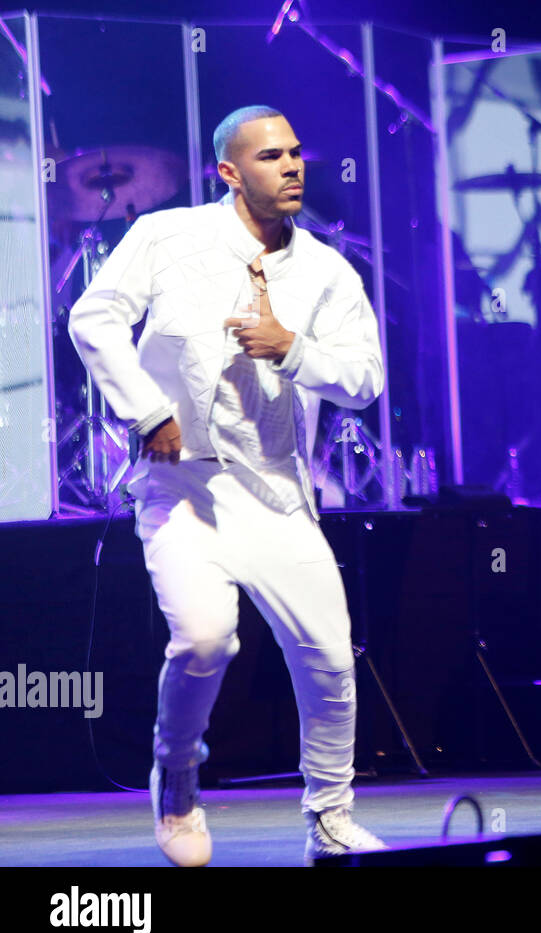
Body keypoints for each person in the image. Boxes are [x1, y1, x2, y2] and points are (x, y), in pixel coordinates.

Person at [68, 105, 388, 865]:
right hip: (180, 485)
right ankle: (177, 775)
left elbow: (366, 380)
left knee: (330, 656)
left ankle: (330, 814)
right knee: (205, 638)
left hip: (275, 491)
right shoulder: (167, 237)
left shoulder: (324, 269)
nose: (292, 167)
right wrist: (146, 411)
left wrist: (294, 348)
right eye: (272, 156)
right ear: (229, 171)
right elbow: (94, 318)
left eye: (297, 153)